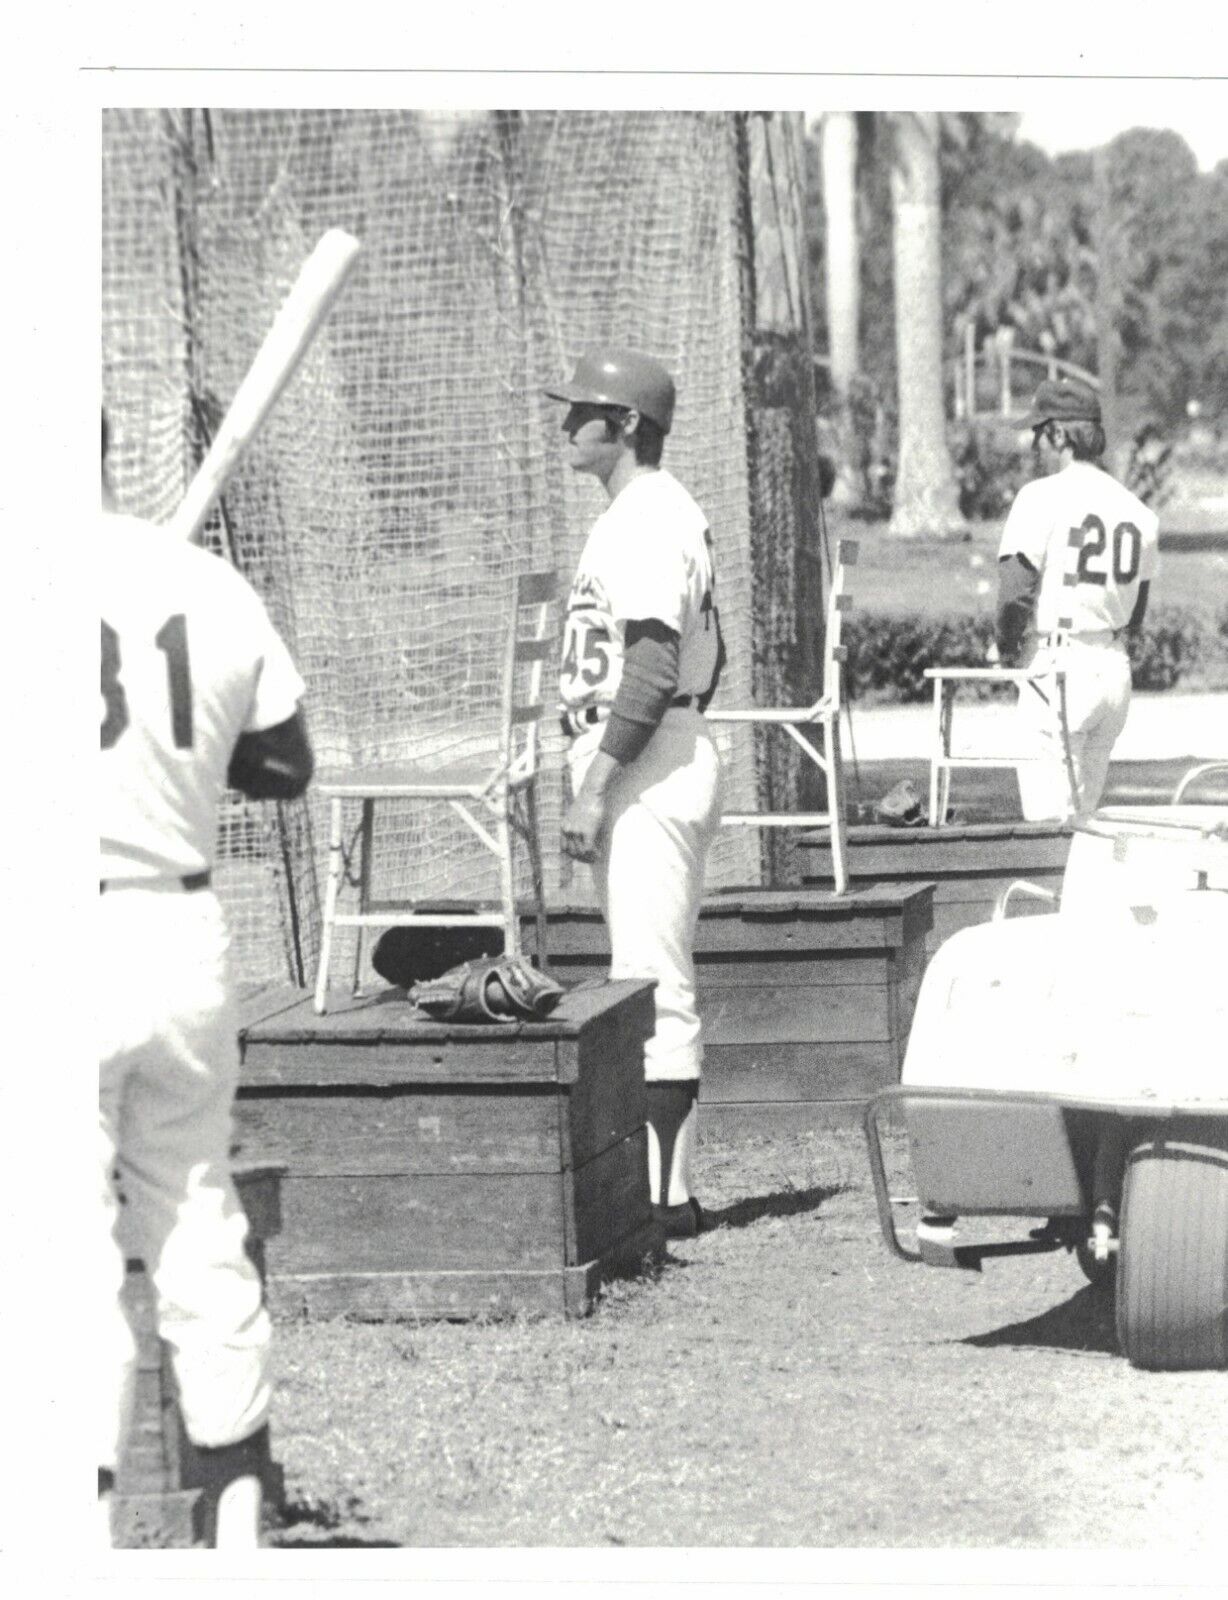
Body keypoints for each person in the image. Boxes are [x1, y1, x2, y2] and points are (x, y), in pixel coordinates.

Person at [99, 408, 314, 1548]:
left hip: (53, 941)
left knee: (57, 1237)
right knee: (194, 1213)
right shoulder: (204, 583)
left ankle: (70, 1528)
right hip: (182, 933)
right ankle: (235, 1521)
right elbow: (286, 764)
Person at [545, 349, 725, 1240]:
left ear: (625, 427)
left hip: (648, 759)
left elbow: (655, 668)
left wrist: (598, 782)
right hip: (648, 753)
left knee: (653, 983)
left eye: (583, 412)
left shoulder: (653, 515)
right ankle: (660, 1194)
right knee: (641, 975)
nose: (566, 424)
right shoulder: (637, 513)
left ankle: (670, 1202)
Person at [995, 377, 1159, 821]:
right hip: (1112, 668)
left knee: (1049, 827)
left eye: (1038, 432)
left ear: (1060, 433)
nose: (1034, 445)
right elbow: (1137, 609)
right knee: (1082, 827)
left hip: (1059, 668)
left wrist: (1007, 649)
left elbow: (1014, 591)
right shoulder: (1138, 511)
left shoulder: (1039, 496)